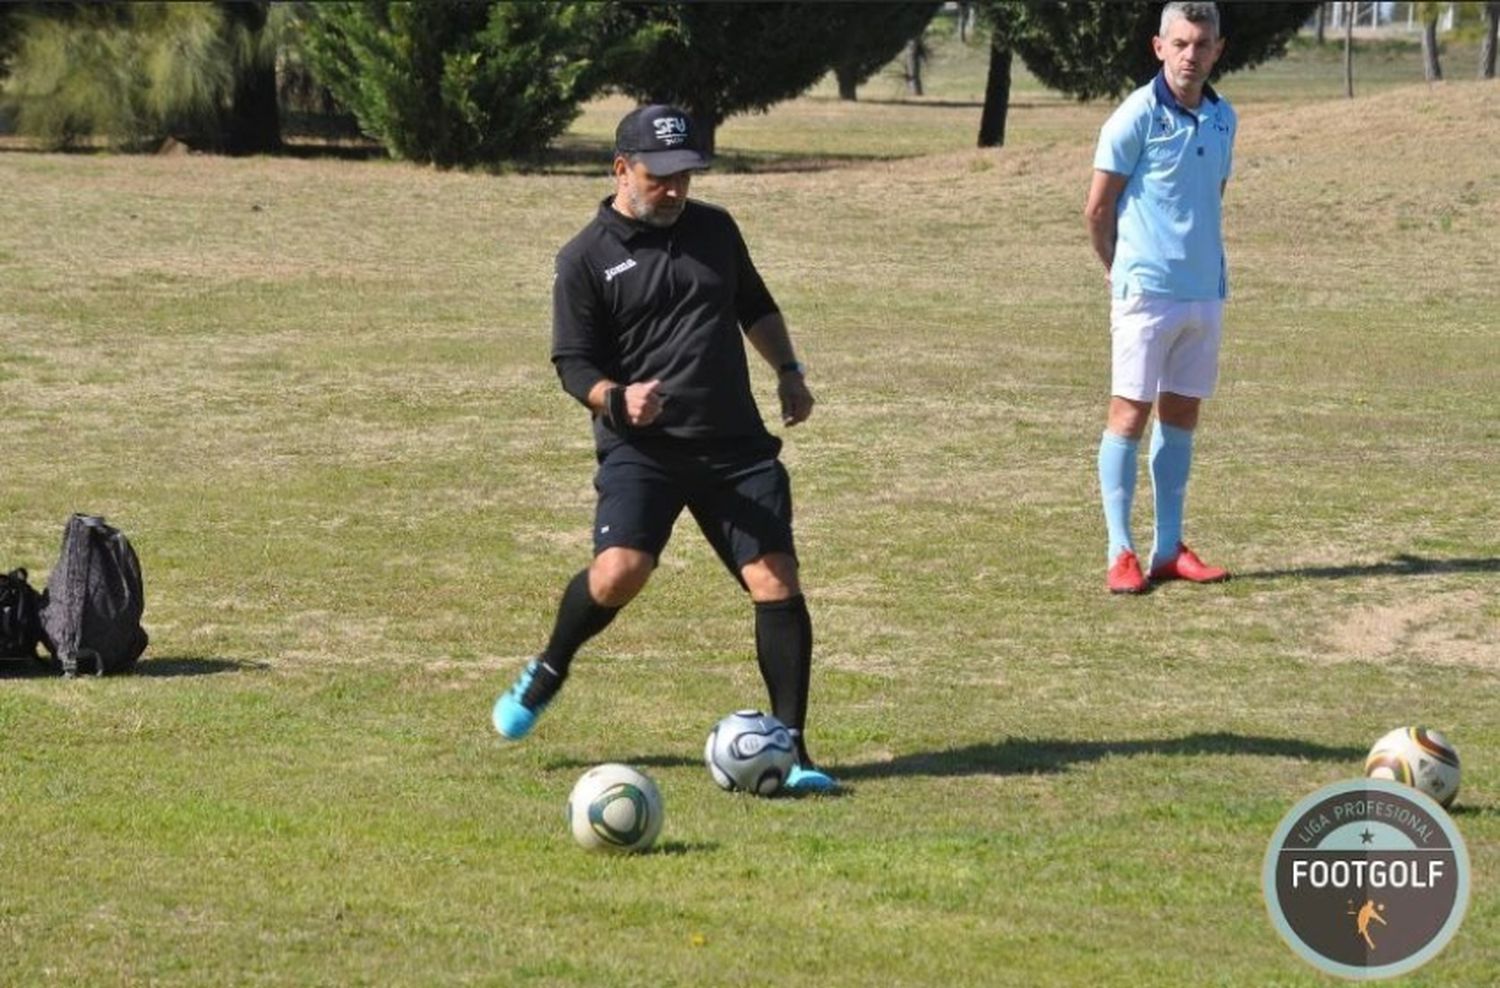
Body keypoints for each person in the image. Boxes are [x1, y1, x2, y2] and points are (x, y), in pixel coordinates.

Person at [493, 104, 836, 793]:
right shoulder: (584, 258)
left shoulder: (714, 229)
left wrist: (789, 372)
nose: (677, 190)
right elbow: (572, 363)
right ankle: (551, 666)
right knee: (620, 572)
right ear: (622, 170)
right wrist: (618, 399)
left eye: (686, 176)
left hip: (734, 447)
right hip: (642, 450)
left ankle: (790, 751)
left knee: (775, 578)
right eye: (661, 177)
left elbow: (755, 305)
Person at [1084, 1, 1238, 594]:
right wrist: (1118, 267)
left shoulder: (1225, 119)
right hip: (1145, 294)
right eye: (1180, 43)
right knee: (1129, 413)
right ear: (1159, 47)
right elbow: (1098, 210)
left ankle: (1168, 547)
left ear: (1217, 50)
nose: (1191, 55)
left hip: (1204, 294)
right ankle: (1120, 552)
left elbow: (1212, 195)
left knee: (1182, 415)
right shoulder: (1135, 116)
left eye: (1202, 44)